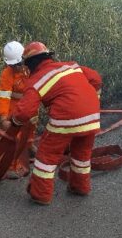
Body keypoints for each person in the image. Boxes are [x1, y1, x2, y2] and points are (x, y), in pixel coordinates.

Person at [10, 41, 103, 205]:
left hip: (67, 116)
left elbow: (25, 112)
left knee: (47, 153)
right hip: (92, 116)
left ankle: (40, 195)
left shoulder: (36, 80)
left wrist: (14, 121)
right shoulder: (71, 66)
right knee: (82, 154)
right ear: (48, 57)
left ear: (29, 64)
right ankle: (80, 187)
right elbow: (95, 78)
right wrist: (93, 98)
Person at [0, 40, 32, 179]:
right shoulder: (7, 74)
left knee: (31, 129)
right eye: (13, 65)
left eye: (19, 63)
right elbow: (3, 97)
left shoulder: (30, 67)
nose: (17, 67)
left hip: (30, 104)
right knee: (15, 138)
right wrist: (3, 117)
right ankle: (10, 166)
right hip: (14, 108)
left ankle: (28, 147)